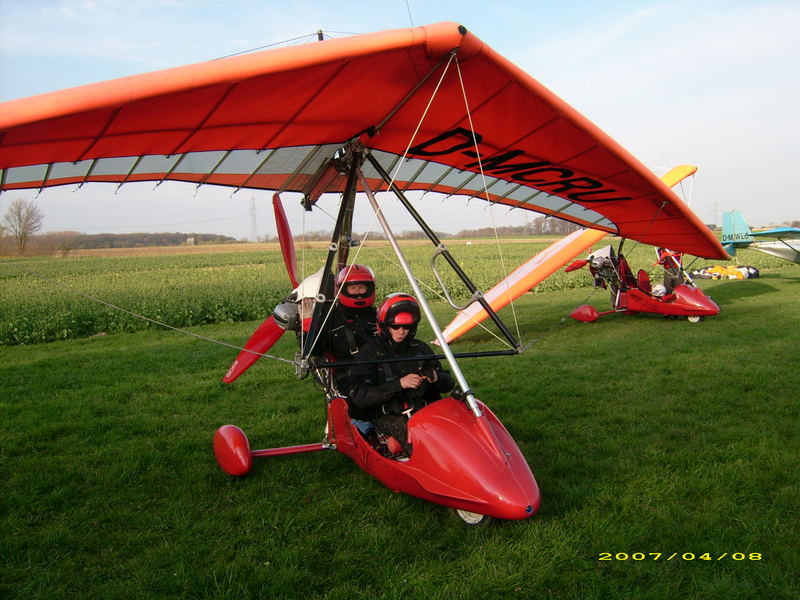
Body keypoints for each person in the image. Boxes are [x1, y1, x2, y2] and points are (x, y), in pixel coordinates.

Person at [347, 293, 453, 456]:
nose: (401, 332)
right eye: (396, 327)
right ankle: (435, 466)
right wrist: (399, 384)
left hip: (425, 411)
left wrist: (435, 377)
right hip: (389, 417)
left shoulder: (420, 348)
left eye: (406, 327)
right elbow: (360, 396)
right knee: (413, 433)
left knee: (454, 426)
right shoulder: (370, 353)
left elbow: (449, 383)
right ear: (385, 326)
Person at [310, 264, 378, 393]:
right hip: (349, 374)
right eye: (353, 288)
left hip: (379, 368)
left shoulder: (376, 315)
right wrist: (308, 326)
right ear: (342, 289)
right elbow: (316, 350)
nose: (358, 292)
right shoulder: (331, 318)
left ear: (369, 289)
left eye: (361, 288)